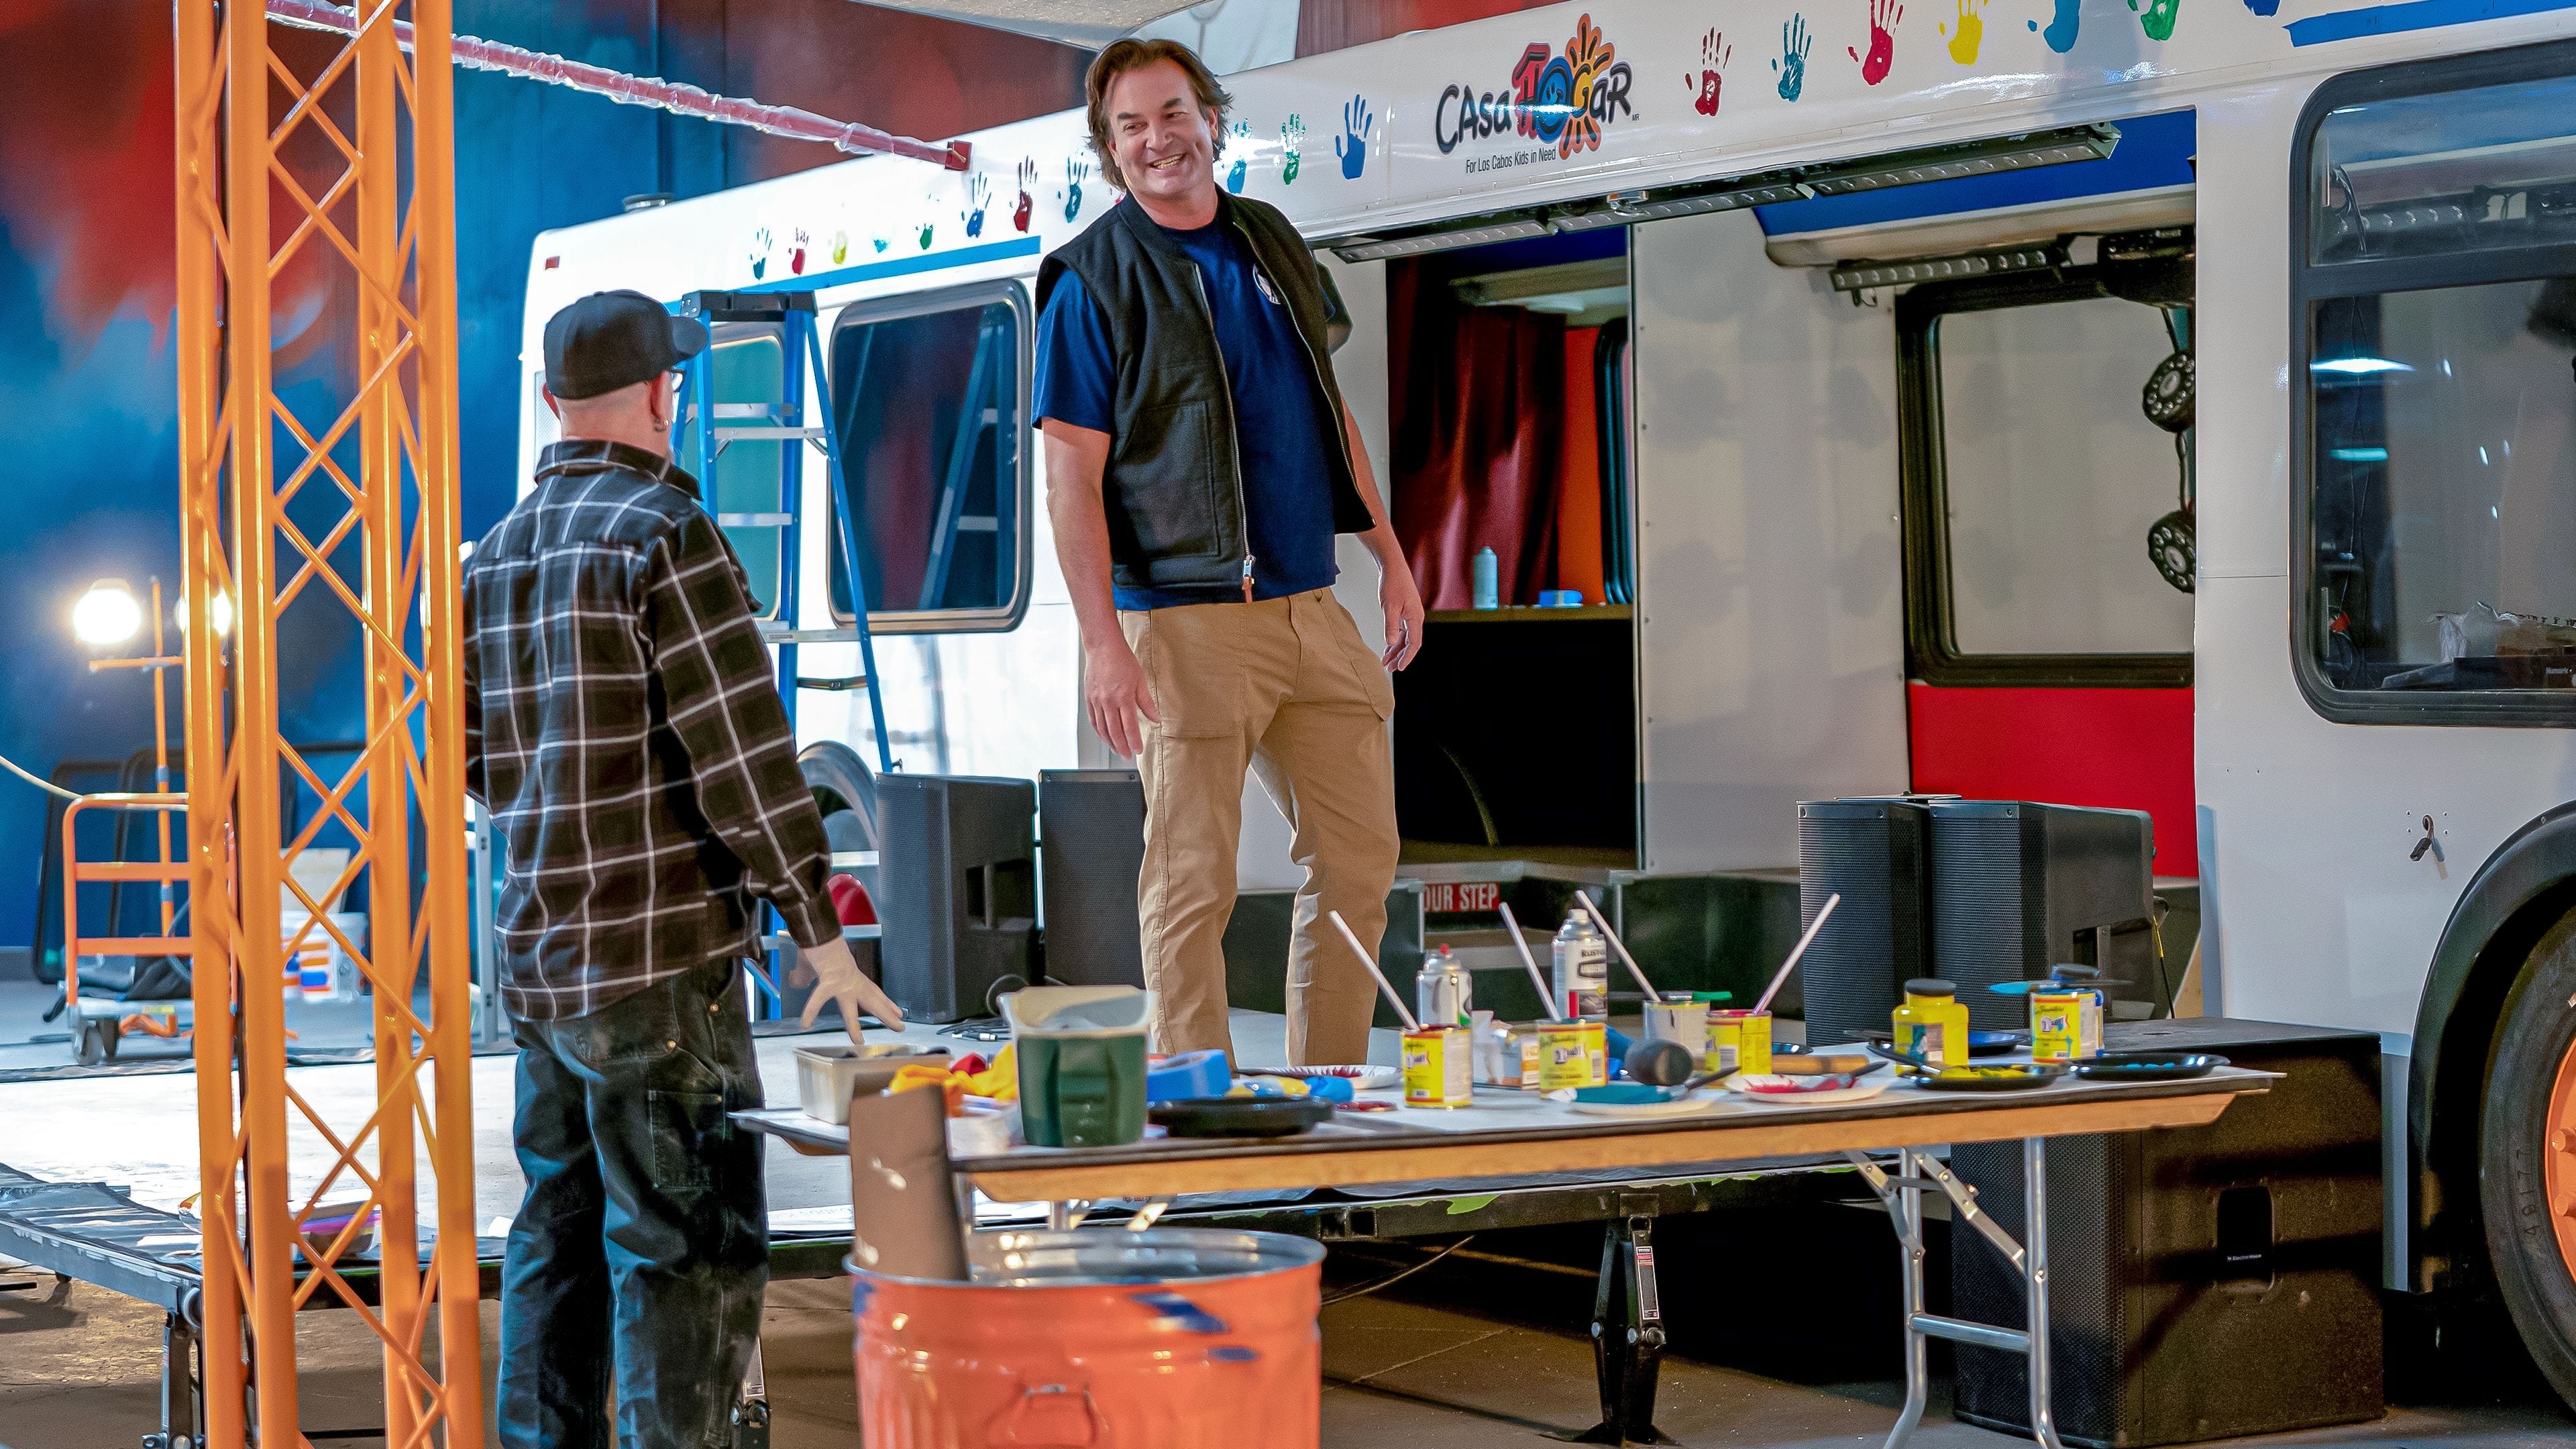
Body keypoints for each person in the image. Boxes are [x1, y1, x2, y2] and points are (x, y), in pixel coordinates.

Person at [463, 289, 905, 1449]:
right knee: (684, 1252)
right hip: (659, 968)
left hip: (543, 968)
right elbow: (742, 758)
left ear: (551, 400)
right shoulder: (667, 532)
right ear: (667, 394)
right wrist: (819, 928)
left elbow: (473, 758)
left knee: (556, 1242)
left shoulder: (493, 553)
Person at [1036, 39, 1426, 1067]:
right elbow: (1070, 480)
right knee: (1192, 880)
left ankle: (1329, 1085)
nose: (1157, 139)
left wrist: (1388, 554)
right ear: (1110, 149)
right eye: (1130, 126)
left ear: (1210, 118)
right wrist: (1102, 644)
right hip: (1182, 621)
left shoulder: (1271, 240)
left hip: (1310, 607)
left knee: (1359, 862)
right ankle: (1194, 1108)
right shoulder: (1091, 281)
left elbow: (1327, 409)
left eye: (1173, 113)